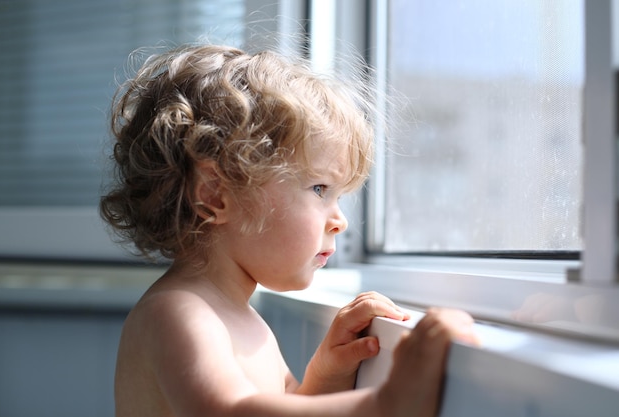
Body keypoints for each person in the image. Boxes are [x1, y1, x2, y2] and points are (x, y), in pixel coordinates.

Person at [100, 43, 479, 417]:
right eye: (319, 189)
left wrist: (326, 371)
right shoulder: (178, 313)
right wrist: (386, 405)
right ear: (215, 195)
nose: (340, 220)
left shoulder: (242, 317)